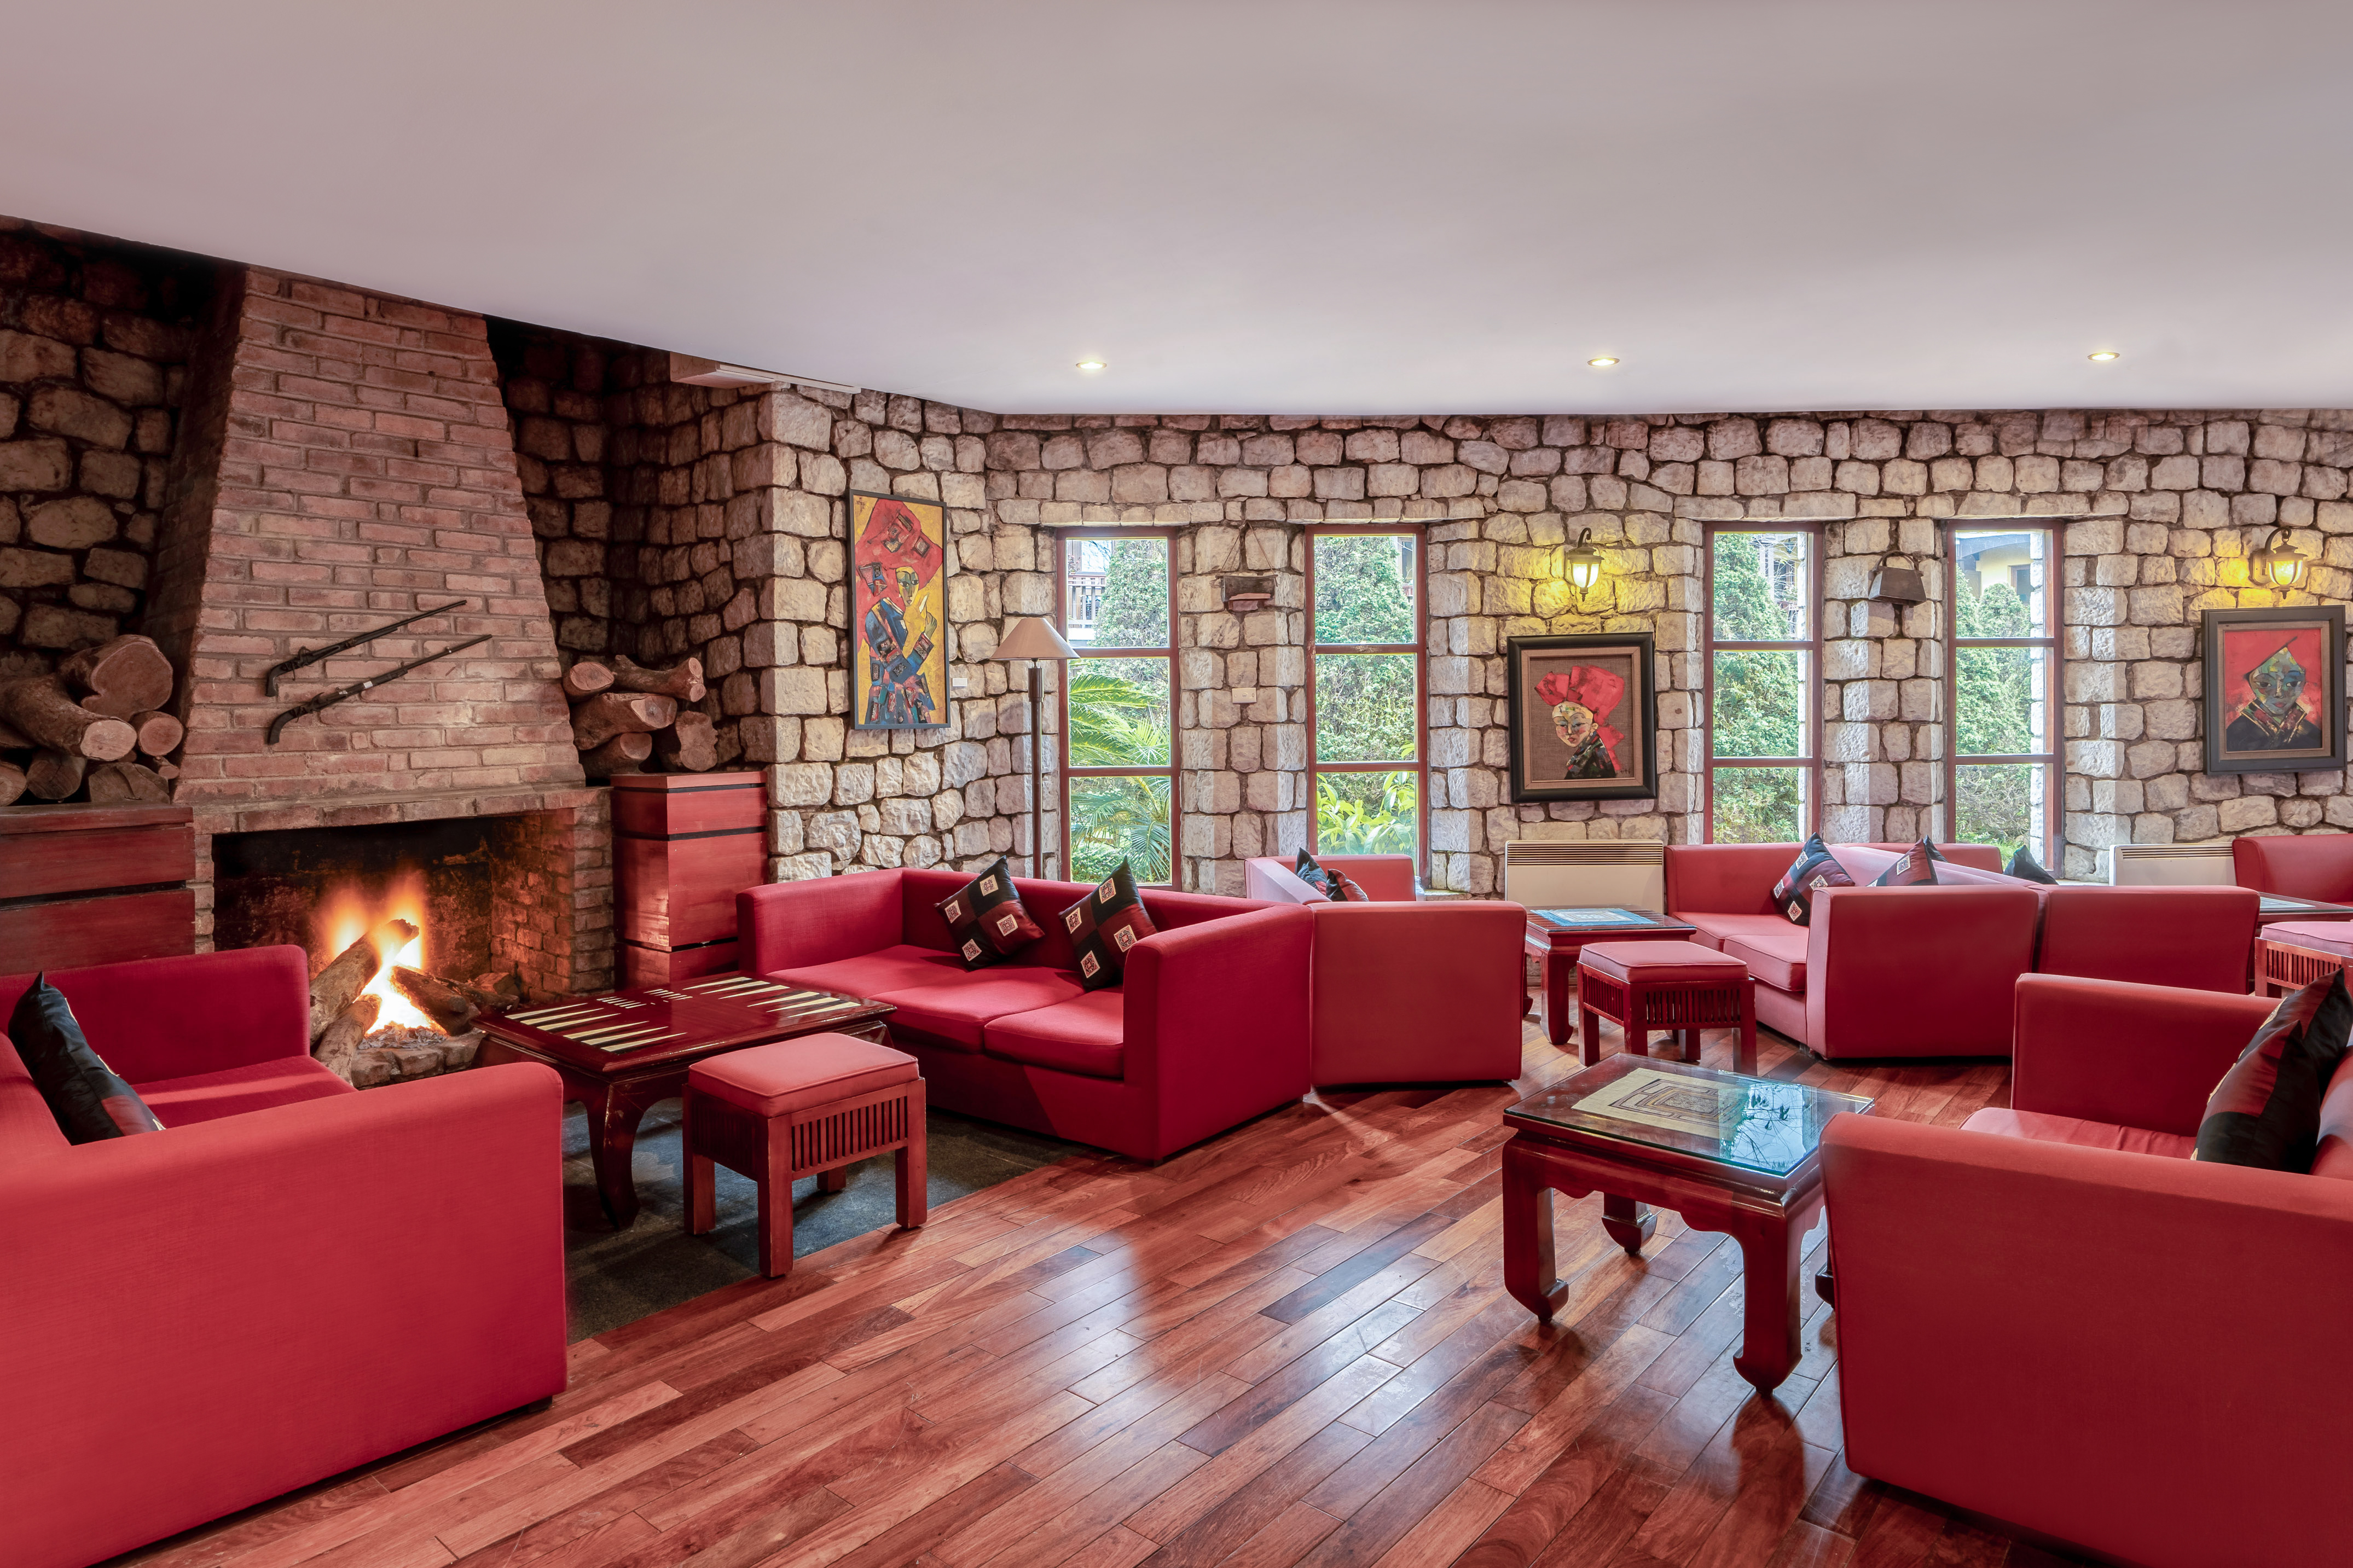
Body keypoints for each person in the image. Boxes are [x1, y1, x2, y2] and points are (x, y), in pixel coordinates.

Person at [2224, 642, 2324, 752]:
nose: (2279, 694)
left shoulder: (2313, 734)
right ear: (2250, 682)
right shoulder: (2235, 735)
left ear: (2304, 682)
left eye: (2293, 683)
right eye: (2265, 684)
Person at [1534, 666, 1626, 778]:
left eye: (1578, 724)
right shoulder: (1588, 752)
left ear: (1594, 726)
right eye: (1561, 724)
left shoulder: (1598, 764)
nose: (1569, 731)